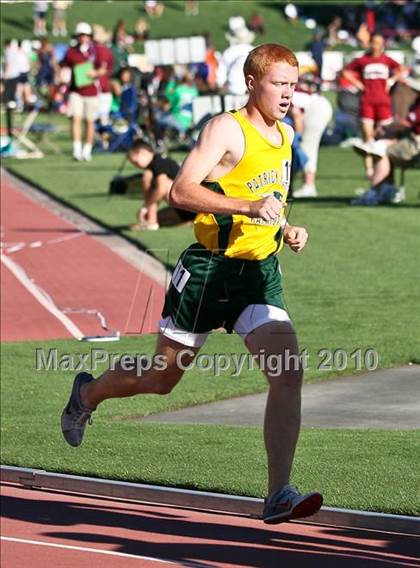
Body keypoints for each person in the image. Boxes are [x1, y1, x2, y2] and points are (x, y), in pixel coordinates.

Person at [61, 43, 323, 525]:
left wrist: (285, 227)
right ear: (251, 83)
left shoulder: (284, 135)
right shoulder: (226, 128)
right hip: (207, 272)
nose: (288, 93)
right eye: (278, 84)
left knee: (288, 372)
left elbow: (269, 198)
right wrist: (248, 208)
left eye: (292, 83)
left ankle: (278, 494)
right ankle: (87, 395)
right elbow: (182, 192)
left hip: (258, 275)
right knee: (162, 379)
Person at [343, 34, 403, 178]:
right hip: (367, 102)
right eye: (373, 42)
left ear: (382, 44)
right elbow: (345, 72)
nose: (375, 45)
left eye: (378, 42)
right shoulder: (363, 60)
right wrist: (358, 84)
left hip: (384, 103)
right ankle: (369, 170)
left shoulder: (387, 60)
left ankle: (385, 170)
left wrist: (391, 81)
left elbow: (401, 69)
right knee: (368, 137)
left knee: (385, 136)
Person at [61, 22, 106, 161]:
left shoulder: (95, 51)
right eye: (81, 35)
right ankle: (77, 149)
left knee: (90, 122)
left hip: (92, 91)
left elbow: (103, 68)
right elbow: (64, 67)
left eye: (86, 35)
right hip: (76, 90)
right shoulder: (71, 52)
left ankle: (87, 150)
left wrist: (95, 73)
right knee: (76, 118)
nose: (84, 38)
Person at [127, 140, 195, 230]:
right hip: (185, 208)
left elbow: (161, 189)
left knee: (154, 180)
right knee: (149, 216)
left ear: (143, 153)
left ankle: (151, 222)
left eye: (136, 162)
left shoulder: (159, 162)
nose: (137, 166)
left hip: (192, 206)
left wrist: (145, 207)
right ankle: (152, 220)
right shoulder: (155, 165)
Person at [290, 76, 333, 198]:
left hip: (317, 109)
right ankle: (308, 185)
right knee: (308, 146)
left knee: (307, 146)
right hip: (319, 106)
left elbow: (297, 115)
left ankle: (309, 186)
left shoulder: (283, 96)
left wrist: (297, 136)